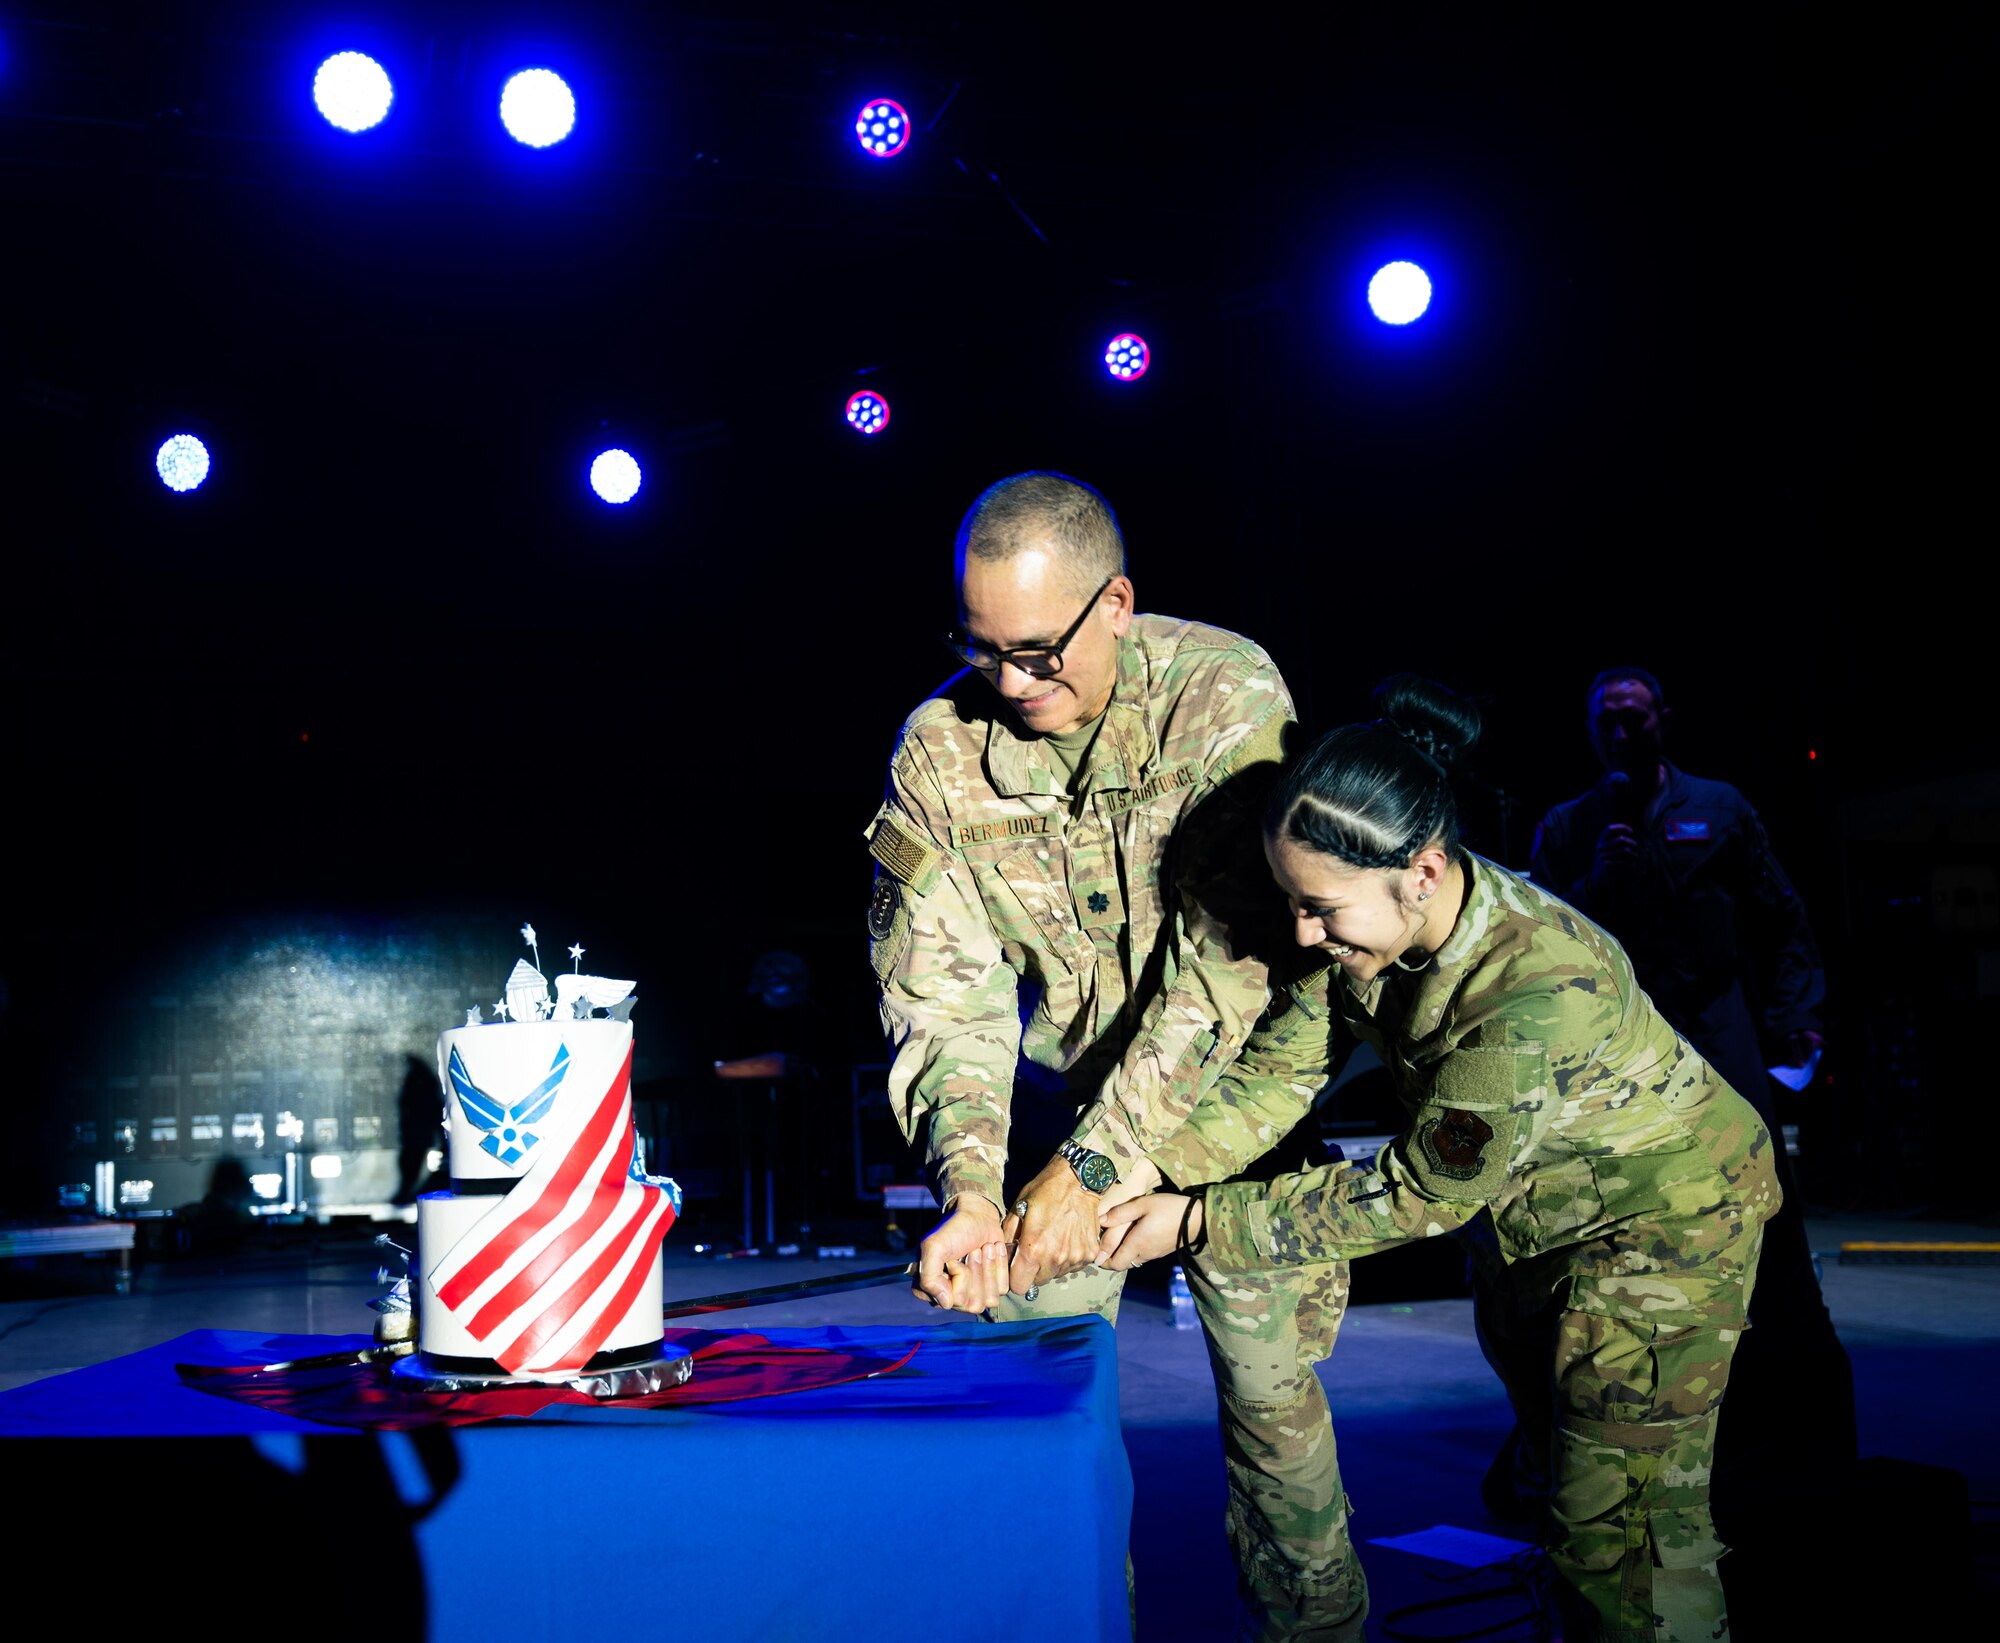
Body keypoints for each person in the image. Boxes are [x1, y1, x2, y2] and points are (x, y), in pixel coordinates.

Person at [1099, 677, 1781, 1643]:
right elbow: (1279, 1081)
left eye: (1320, 907)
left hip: (1661, 1227)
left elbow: (1421, 1193)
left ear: (1420, 871)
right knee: (1564, 1498)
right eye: (1293, 901)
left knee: (1626, 1540)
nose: (1302, 931)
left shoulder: (1533, 985)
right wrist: (1141, 1170)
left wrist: (1204, 1219)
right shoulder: (1365, 936)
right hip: (1539, 1224)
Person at [866, 471, 1364, 1639]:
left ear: (1118, 601)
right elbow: (947, 1004)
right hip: (1068, 1109)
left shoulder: (1223, 693)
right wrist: (974, 1192)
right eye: (979, 646)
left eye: (1038, 649)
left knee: (1277, 1441)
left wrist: (1089, 1174)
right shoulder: (937, 752)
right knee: (1036, 1429)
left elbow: (1224, 974)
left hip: (1243, 1111)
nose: (1009, 682)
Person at [1528, 668, 1856, 1539]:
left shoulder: (1722, 805)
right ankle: (1657, 1431)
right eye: (1607, 723)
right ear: (1591, 732)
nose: (1622, 736)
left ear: (1662, 722)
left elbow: (1782, 916)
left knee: (1769, 1217)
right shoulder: (1570, 827)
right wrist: (1597, 883)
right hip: (1625, 1056)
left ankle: (1807, 1424)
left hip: (1722, 1035)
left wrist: (1797, 1020)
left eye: (1636, 720)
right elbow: (1543, 946)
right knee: (1637, 1234)